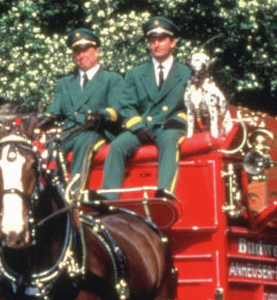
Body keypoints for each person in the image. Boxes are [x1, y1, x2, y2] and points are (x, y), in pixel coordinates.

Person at [102, 15, 189, 198]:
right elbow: (126, 105)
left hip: (169, 126)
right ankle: (108, 197)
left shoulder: (186, 73)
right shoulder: (136, 73)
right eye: (153, 40)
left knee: (169, 141)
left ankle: (164, 193)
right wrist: (138, 127)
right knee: (117, 145)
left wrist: (179, 120)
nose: (157, 45)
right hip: (143, 126)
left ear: (173, 43)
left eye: (162, 40)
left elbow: (192, 105)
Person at [42, 27, 122, 194]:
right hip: (69, 130)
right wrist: (42, 120)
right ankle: (47, 192)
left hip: (96, 130)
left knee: (83, 141)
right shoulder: (65, 83)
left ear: (96, 52)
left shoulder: (111, 79)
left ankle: (74, 192)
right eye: (77, 52)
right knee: (49, 147)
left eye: (85, 50)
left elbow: (118, 108)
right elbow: (55, 108)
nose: (81, 56)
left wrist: (103, 114)